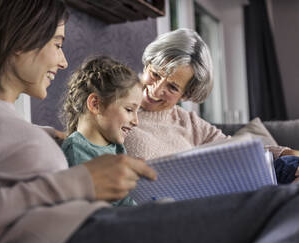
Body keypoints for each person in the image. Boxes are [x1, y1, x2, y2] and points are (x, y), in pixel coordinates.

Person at [0, 1, 299, 243]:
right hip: (78, 234)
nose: (61, 61)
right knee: (288, 203)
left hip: (96, 222)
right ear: (20, 39)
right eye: (57, 43)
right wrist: (80, 181)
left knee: (282, 199)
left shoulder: (17, 127)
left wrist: (45, 139)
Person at [124, 28, 299, 181]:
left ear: (186, 94)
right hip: (154, 208)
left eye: (172, 87)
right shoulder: (114, 104)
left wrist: (283, 153)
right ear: (147, 65)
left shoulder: (187, 121)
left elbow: (235, 148)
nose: (156, 90)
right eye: (155, 74)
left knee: (290, 168)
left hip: (198, 201)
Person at [61, 56, 142, 206]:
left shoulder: (117, 147)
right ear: (95, 104)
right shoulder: (75, 149)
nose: (136, 121)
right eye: (129, 109)